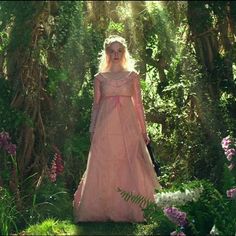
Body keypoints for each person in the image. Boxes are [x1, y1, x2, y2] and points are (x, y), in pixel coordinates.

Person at [73, 35, 161, 223]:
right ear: (106, 53)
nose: (115, 54)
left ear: (124, 52)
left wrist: (143, 131)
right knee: (105, 163)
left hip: (128, 126)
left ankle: (135, 209)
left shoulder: (132, 76)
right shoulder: (99, 78)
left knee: (131, 163)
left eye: (119, 50)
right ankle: (102, 209)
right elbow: (96, 106)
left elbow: (139, 105)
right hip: (105, 127)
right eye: (112, 51)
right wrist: (92, 128)